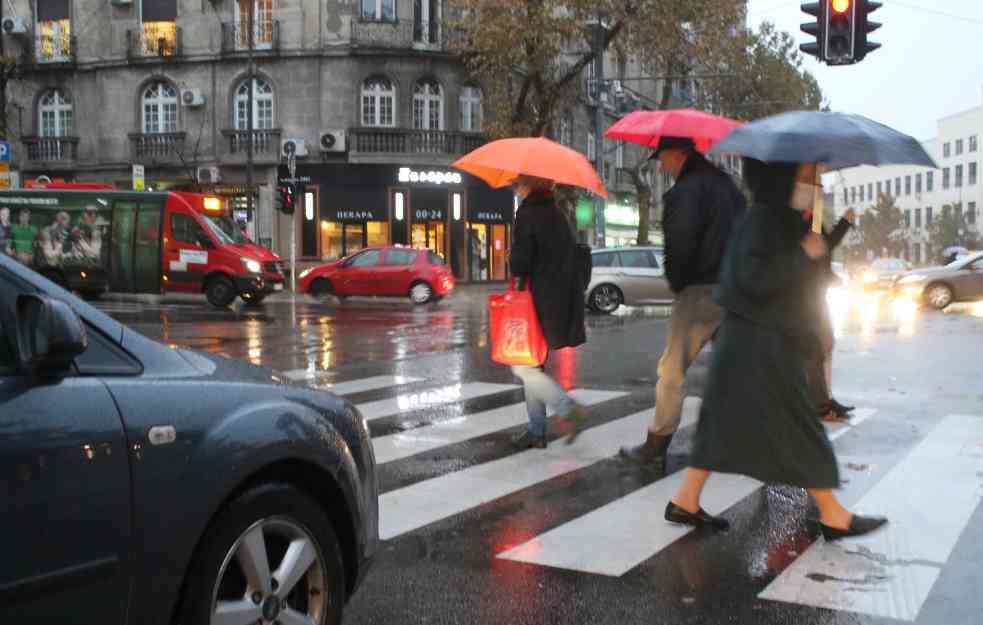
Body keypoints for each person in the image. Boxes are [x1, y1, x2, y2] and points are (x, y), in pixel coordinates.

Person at [665, 159, 887, 541]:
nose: (810, 182)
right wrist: (805, 253)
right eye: (804, 175)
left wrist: (813, 247)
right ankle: (833, 514)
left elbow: (794, 268)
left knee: (721, 423)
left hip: (753, 338)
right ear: (781, 177)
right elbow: (753, 278)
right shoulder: (763, 219)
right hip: (760, 342)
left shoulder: (777, 217)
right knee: (799, 423)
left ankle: (685, 500)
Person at [620, 137, 746, 472]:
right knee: (734, 369)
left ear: (678, 154)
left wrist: (678, 284)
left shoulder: (684, 192)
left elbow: (680, 244)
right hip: (735, 289)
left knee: (671, 370)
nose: (662, 165)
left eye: (662, 158)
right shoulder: (729, 187)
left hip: (701, 291)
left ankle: (656, 445)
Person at [508, 175, 589, 449]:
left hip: (536, 301)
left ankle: (568, 411)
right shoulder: (558, 213)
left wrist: (513, 252)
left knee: (525, 366)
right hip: (559, 299)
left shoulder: (528, 215)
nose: (515, 189)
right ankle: (537, 431)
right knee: (531, 365)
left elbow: (520, 264)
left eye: (517, 184)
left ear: (529, 186)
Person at [809, 207, 855, 422]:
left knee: (825, 345)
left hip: (815, 294)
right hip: (804, 296)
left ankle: (824, 399)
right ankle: (820, 403)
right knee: (817, 348)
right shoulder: (796, 216)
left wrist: (844, 223)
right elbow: (811, 252)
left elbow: (823, 248)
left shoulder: (812, 216)